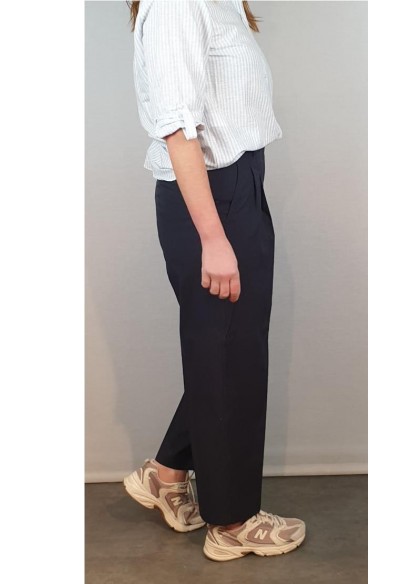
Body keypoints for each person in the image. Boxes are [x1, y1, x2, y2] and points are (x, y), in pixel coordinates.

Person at [123, 0, 306, 561]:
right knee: (230, 358)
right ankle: (231, 522)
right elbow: (177, 128)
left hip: (238, 186)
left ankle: (165, 474)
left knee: (229, 355)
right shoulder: (177, 4)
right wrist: (213, 236)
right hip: (211, 197)